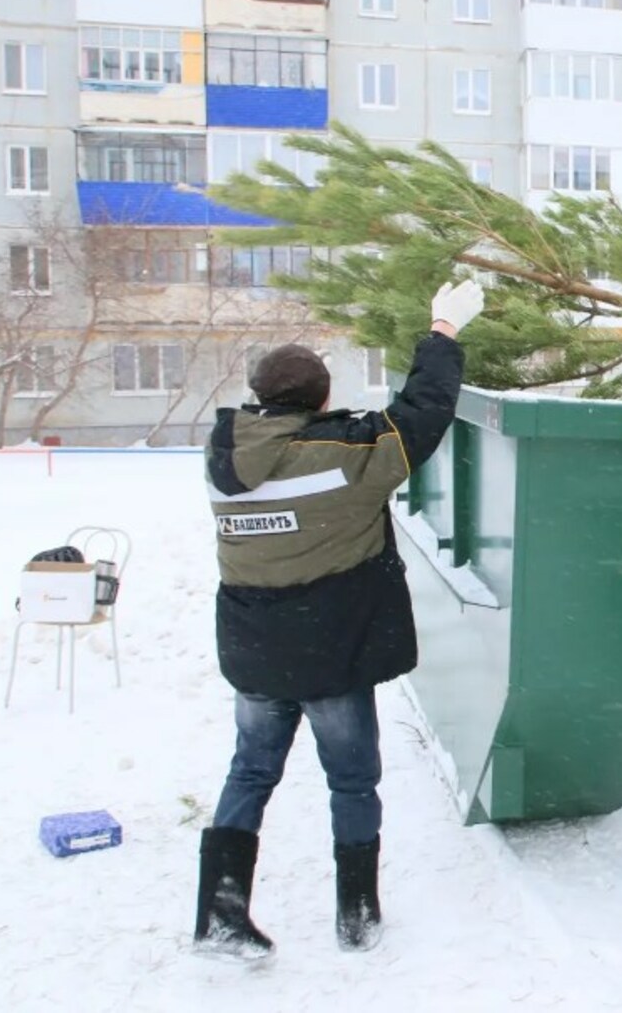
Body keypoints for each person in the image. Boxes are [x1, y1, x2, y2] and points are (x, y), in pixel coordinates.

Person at [193, 280, 487, 960]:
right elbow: (423, 412)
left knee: (249, 772)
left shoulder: (223, 459)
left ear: (261, 398)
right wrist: (443, 326)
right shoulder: (346, 458)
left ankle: (220, 908)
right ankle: (357, 911)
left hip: (255, 652)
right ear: (321, 401)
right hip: (330, 654)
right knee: (352, 780)